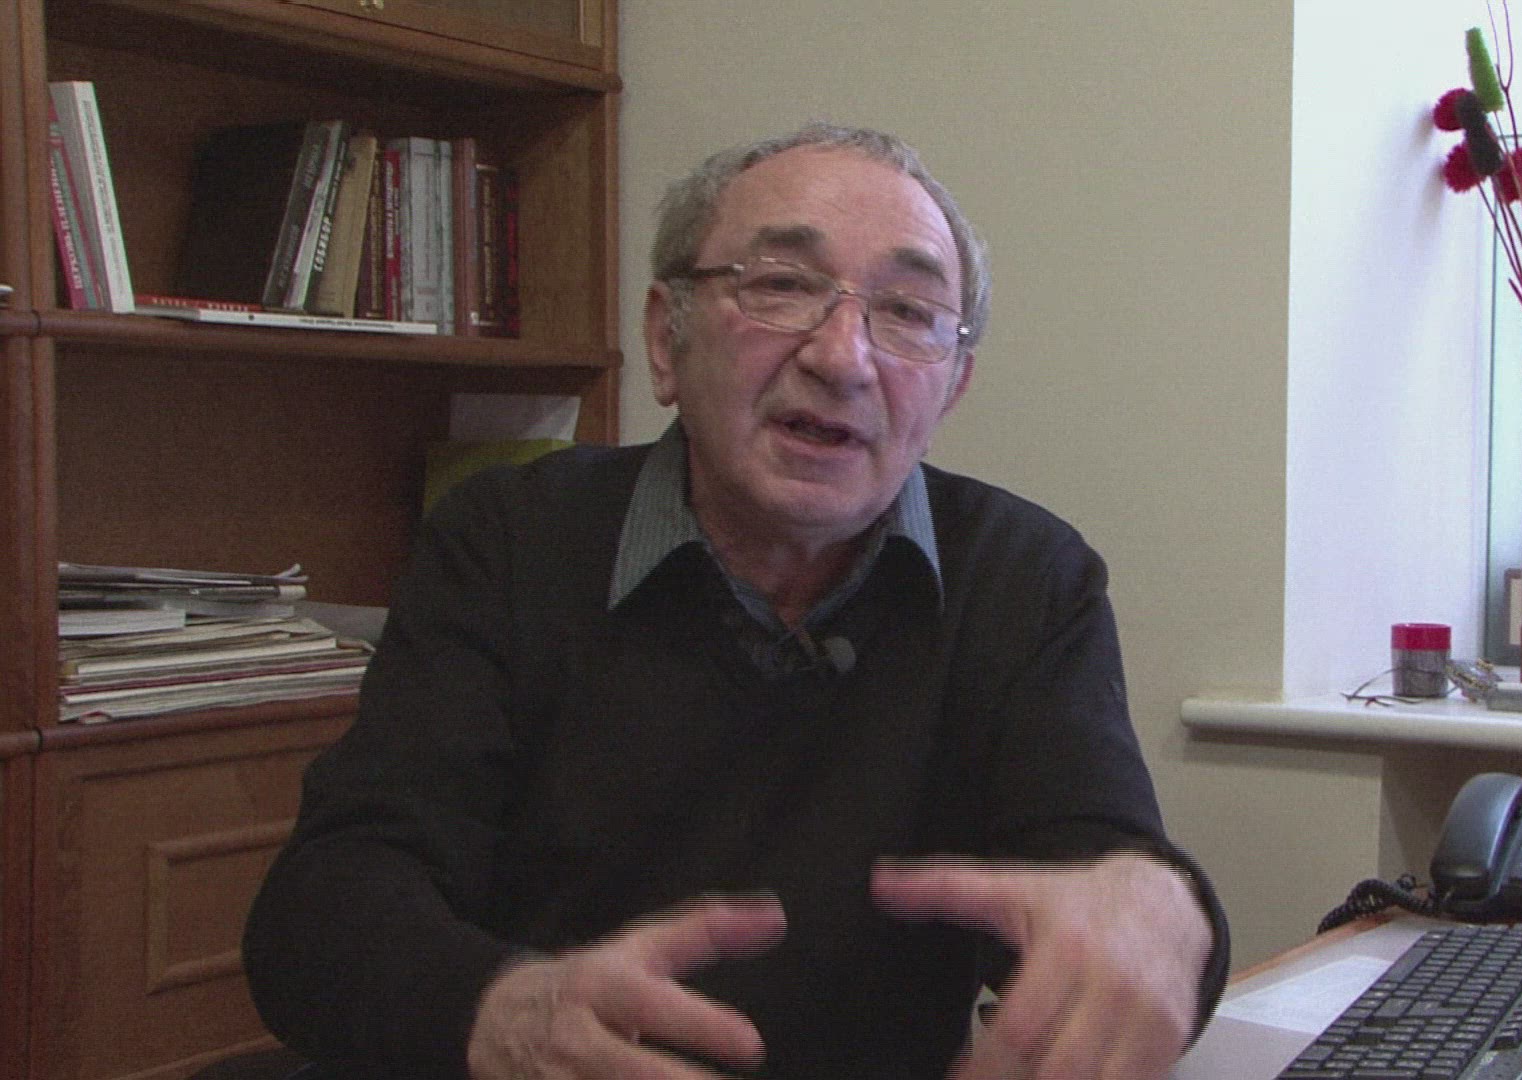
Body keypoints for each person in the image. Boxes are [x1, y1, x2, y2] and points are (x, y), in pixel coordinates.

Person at [244, 122, 1230, 1079]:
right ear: (665, 340)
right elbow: (325, 908)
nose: (843, 357)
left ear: (952, 388)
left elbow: (1104, 876)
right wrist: (501, 1014)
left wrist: (1158, 917)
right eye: (782, 286)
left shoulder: (1026, 577)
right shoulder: (508, 539)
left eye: (908, 312)